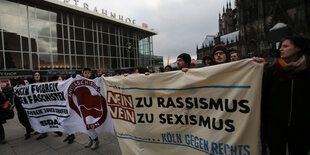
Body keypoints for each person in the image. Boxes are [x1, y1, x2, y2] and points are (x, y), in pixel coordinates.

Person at [260, 35, 310, 155]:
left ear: (298, 48)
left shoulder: (307, 71)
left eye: (285, 46)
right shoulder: (273, 71)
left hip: (301, 126)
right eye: (280, 46)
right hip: (275, 127)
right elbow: (264, 97)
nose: (281, 49)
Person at [82, 68, 100, 150]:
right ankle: (91, 139)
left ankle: (95, 140)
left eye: (88, 73)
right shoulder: (80, 82)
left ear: (90, 73)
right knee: (86, 124)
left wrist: (100, 76)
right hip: (84, 106)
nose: (86, 74)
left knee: (89, 123)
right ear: (83, 74)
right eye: (85, 73)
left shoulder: (94, 80)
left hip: (93, 106)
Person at [29, 72, 49, 140]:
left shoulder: (43, 83)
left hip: (43, 104)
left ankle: (44, 132)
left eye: (38, 75)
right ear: (33, 77)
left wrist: (47, 85)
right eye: (35, 75)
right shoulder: (30, 84)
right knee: (37, 118)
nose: (37, 76)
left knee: (43, 118)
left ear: (40, 76)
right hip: (35, 105)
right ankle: (39, 130)